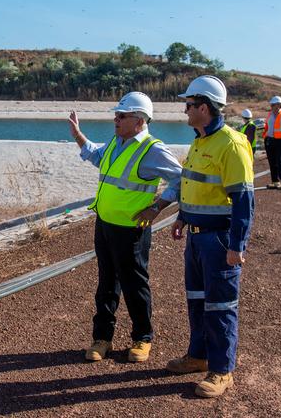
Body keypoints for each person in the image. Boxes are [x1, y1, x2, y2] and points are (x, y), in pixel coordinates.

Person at [68, 92, 182, 363]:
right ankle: (102, 338)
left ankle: (142, 338)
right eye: (116, 115)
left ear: (139, 121)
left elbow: (180, 178)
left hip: (131, 231)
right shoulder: (117, 141)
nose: (116, 119)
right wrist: (77, 135)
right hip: (105, 224)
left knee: (134, 284)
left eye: (122, 116)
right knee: (106, 283)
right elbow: (96, 156)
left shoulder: (152, 149)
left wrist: (157, 207)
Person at [168, 75, 254, 398]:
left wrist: (237, 245)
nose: (185, 111)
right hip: (195, 236)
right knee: (198, 301)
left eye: (188, 105)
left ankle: (222, 370)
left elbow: (244, 199)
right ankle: (199, 356)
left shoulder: (230, 144)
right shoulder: (200, 139)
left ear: (203, 107)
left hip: (218, 241)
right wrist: (181, 217)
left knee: (221, 306)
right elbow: (194, 184)